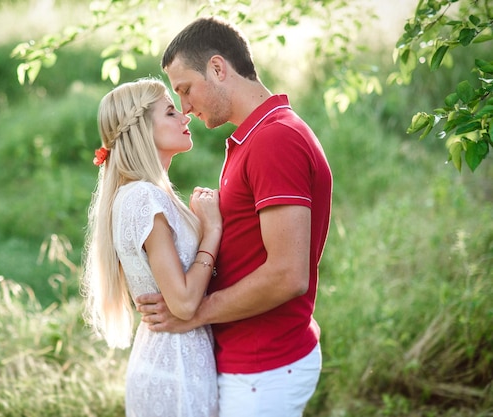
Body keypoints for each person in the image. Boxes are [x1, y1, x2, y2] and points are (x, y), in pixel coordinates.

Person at [135, 17, 333, 417]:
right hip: (251, 361)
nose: (185, 107)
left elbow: (287, 275)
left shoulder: (275, 139)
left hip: (264, 367)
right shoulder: (256, 137)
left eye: (186, 89)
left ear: (219, 68)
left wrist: (191, 312)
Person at [81, 78, 221, 417]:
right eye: (171, 112)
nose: (185, 116)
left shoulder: (146, 194)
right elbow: (185, 303)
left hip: (171, 359)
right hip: (175, 367)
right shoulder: (145, 197)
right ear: (142, 129)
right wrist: (213, 230)